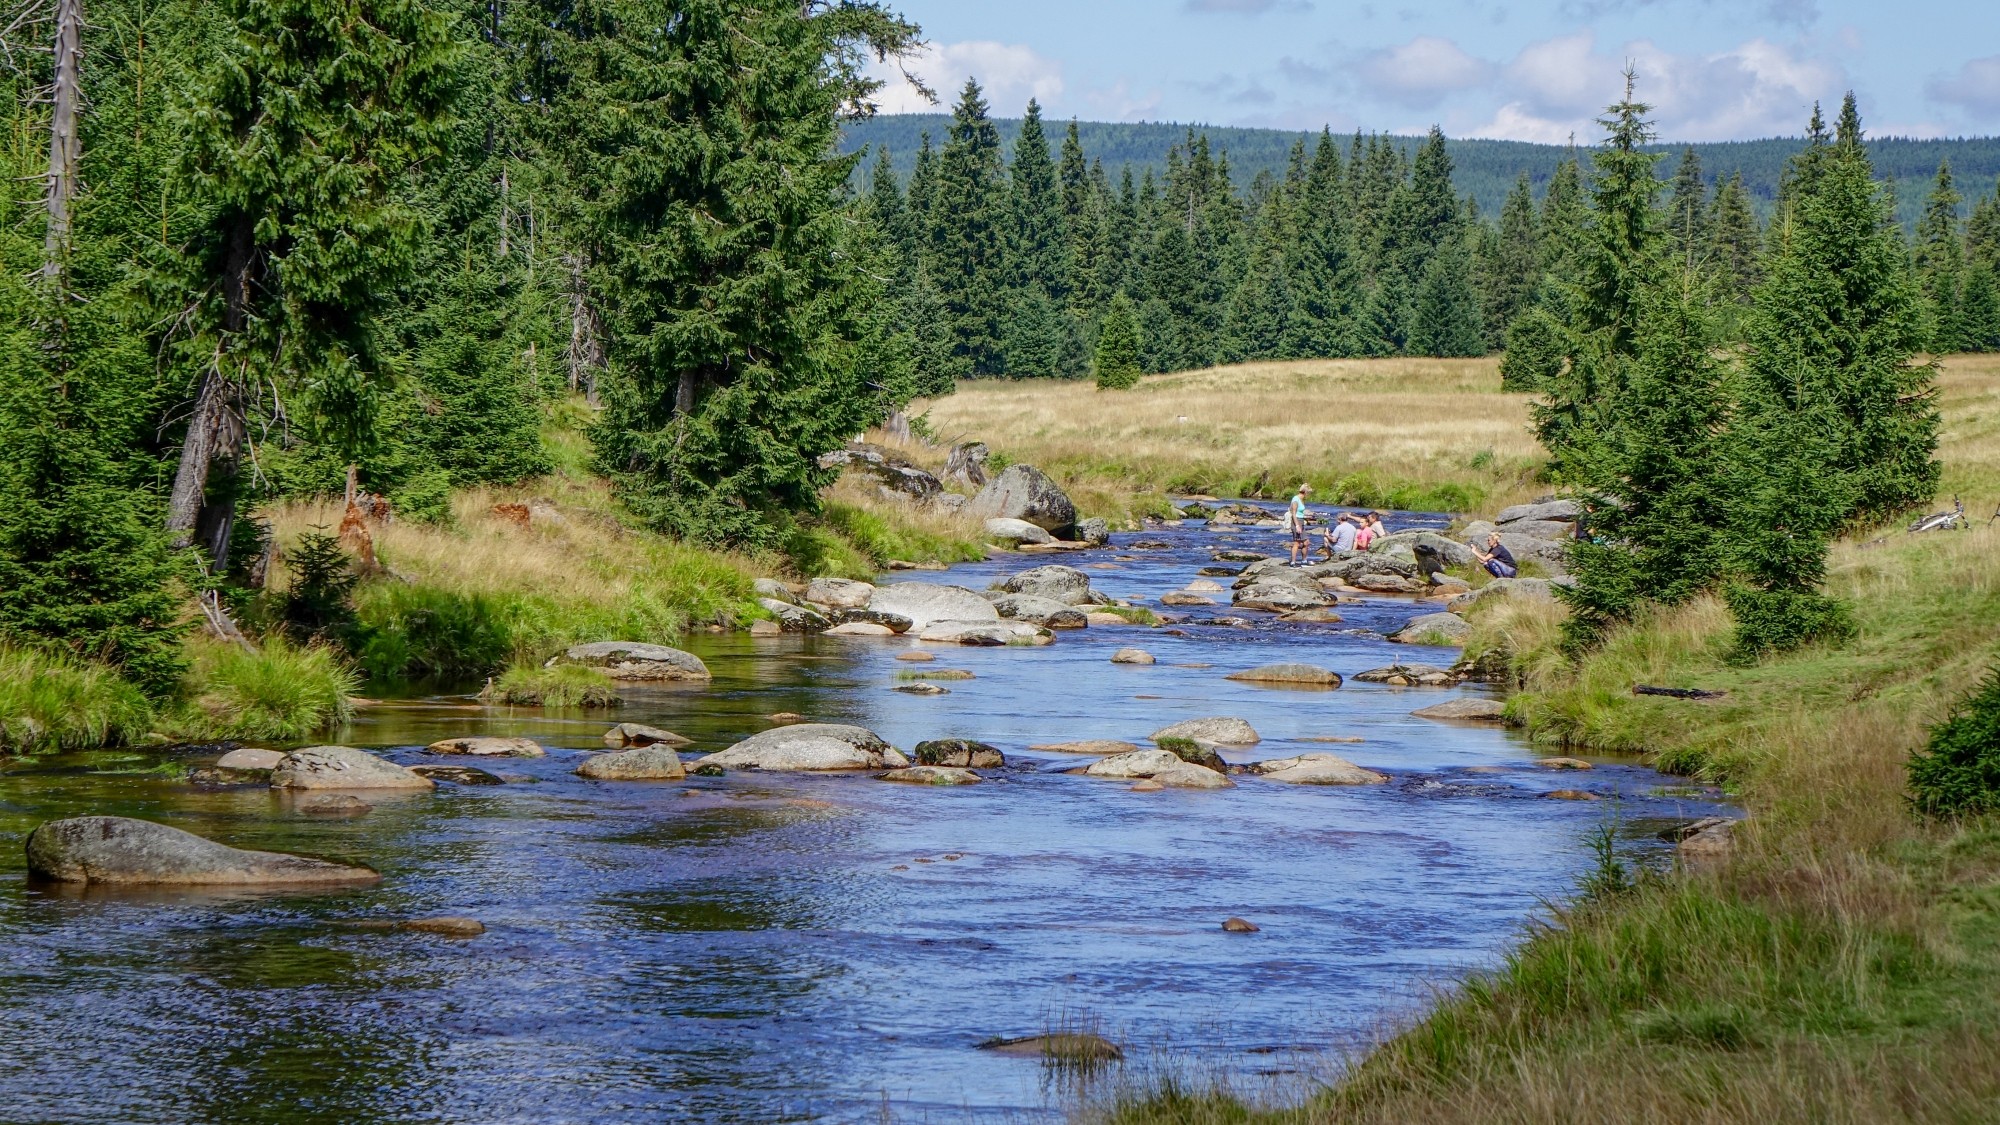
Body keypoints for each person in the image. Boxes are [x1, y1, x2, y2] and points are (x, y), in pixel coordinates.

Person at [1286, 484, 1314, 565]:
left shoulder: (1301, 499)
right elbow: (1294, 513)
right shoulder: (1296, 499)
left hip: (1301, 521)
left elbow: (1300, 512)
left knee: (1306, 542)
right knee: (1297, 542)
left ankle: (1304, 560)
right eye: (1308, 493)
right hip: (1296, 522)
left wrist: (1305, 517)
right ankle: (1293, 562)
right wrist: (1297, 525)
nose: (1308, 494)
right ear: (1305, 492)